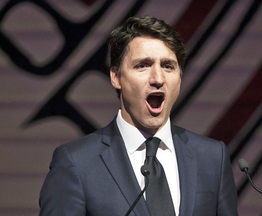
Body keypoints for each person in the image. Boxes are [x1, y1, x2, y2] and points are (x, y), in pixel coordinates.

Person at [39, 16, 238, 216]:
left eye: (168, 66)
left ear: (180, 76)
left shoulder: (213, 158)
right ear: (116, 77)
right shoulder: (76, 163)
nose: (158, 78)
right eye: (143, 65)